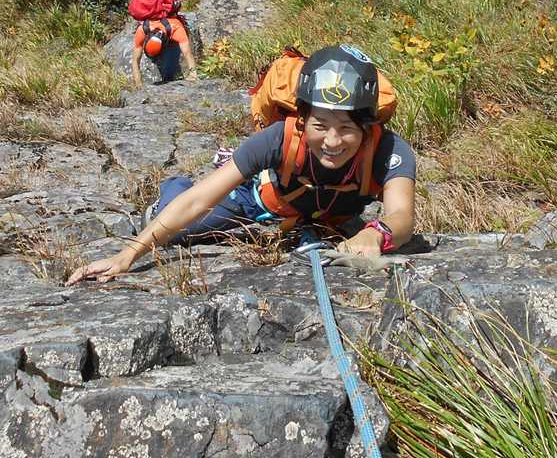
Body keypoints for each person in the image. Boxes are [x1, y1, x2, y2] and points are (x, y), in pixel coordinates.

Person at [69, 45, 416, 284]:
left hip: (329, 219)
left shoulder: (388, 149)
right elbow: (198, 201)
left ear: (367, 127)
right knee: (180, 230)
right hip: (262, 202)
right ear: (302, 118)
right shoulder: (279, 138)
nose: (332, 142)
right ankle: (172, 188)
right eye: (320, 126)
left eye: (347, 129)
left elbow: (402, 215)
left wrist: (376, 234)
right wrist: (127, 255)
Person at [130, 11, 197, 87]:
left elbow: (187, 53)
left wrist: (193, 74)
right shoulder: (142, 29)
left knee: (169, 74)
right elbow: (135, 60)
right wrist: (139, 84)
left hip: (171, 42)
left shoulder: (175, 27)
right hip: (162, 35)